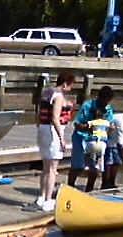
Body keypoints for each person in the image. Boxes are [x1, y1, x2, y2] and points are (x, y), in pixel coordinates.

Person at [36, 72, 75, 212]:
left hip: (42, 129)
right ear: (65, 84)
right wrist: (62, 139)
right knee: (53, 169)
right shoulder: (58, 96)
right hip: (52, 131)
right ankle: (48, 200)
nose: (70, 88)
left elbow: (39, 113)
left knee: (45, 167)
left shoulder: (46, 92)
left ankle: (41, 197)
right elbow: (55, 118)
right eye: (70, 85)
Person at [69, 86, 115, 192]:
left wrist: (110, 129)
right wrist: (88, 128)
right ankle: (70, 187)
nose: (106, 104)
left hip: (98, 141)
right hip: (82, 138)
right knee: (77, 166)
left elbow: (110, 125)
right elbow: (76, 124)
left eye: (108, 101)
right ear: (99, 97)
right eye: (104, 101)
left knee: (95, 168)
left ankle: (89, 189)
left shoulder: (108, 109)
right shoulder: (87, 106)